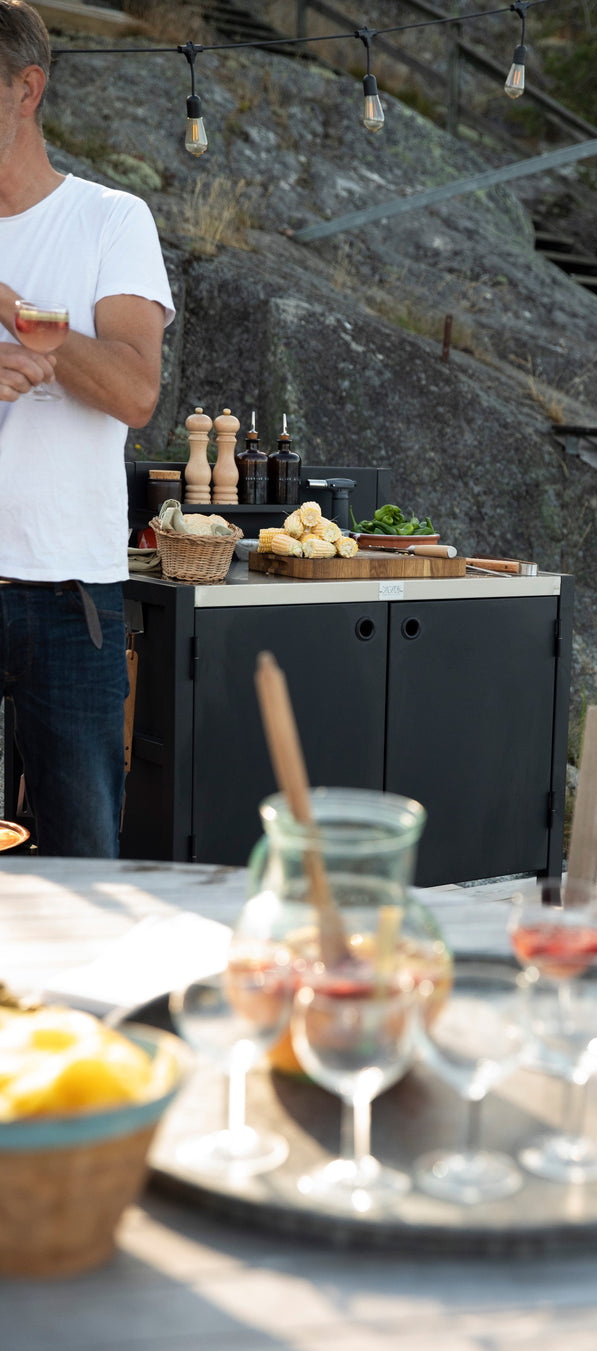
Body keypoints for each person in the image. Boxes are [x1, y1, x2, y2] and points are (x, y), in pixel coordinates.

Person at [0, 0, 175, 856]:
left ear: (26, 88)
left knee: (81, 868)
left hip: (70, 600)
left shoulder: (111, 218)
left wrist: (21, 315)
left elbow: (136, 390)